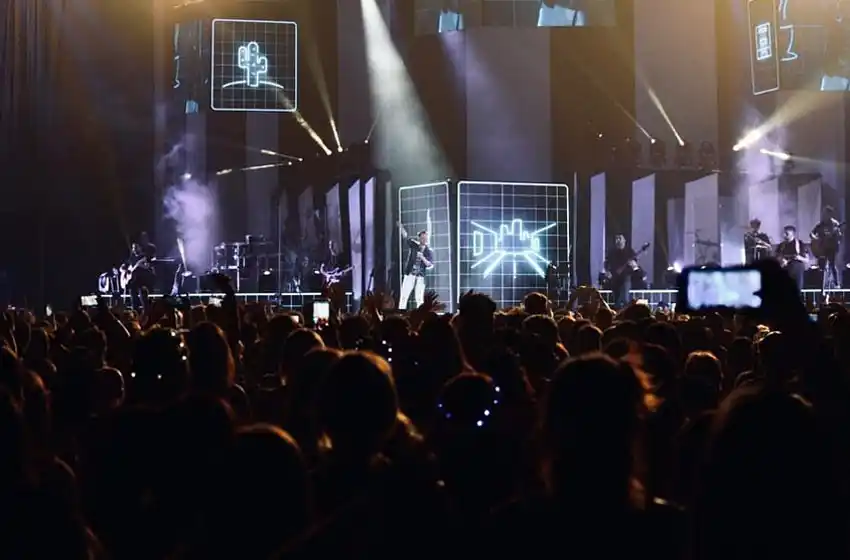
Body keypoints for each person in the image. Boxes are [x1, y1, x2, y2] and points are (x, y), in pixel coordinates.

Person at [397, 220, 433, 310]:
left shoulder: (428, 251)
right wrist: (401, 227)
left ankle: (420, 315)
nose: (424, 240)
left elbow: (429, 264)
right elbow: (406, 236)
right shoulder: (414, 245)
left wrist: (423, 258)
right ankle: (401, 313)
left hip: (420, 277)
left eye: (425, 238)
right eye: (422, 238)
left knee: (419, 298)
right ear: (419, 238)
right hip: (410, 274)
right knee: (404, 296)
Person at [810, 206, 843, 290]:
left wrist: (836, 235)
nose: (823, 215)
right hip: (822, 248)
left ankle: (836, 283)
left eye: (825, 213)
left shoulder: (835, 224)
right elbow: (811, 233)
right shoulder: (821, 224)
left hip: (832, 247)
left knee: (832, 265)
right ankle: (821, 285)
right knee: (821, 266)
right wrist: (816, 239)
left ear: (829, 214)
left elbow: (839, 237)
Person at [125, 232, 157, 310]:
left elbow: (147, 266)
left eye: (136, 247)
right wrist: (125, 271)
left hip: (144, 280)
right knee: (133, 294)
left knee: (144, 297)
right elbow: (125, 266)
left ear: (140, 248)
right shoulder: (132, 257)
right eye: (133, 248)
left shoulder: (144, 256)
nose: (134, 249)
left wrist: (140, 265)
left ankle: (147, 311)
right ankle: (134, 311)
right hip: (134, 281)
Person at [603, 234, 637, 308]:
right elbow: (607, 263)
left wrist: (633, 264)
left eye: (620, 238)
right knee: (616, 300)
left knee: (625, 299)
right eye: (616, 239)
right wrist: (608, 272)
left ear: (624, 240)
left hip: (625, 278)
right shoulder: (611, 252)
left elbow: (635, 266)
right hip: (615, 279)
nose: (618, 240)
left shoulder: (630, 251)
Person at [776, 225, 808, 289]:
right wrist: (781, 260)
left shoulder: (800, 244)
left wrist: (799, 258)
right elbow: (777, 257)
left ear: (792, 234)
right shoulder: (781, 245)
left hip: (797, 270)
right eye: (784, 233)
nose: (784, 235)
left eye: (787, 233)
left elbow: (807, 260)